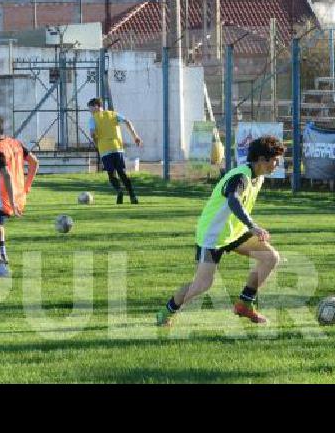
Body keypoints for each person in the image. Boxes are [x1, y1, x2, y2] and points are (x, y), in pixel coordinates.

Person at [156, 136, 286, 327]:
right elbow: (233, 200)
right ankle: (167, 311)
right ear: (261, 159)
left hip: (234, 233)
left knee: (270, 257)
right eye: (275, 159)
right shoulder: (241, 176)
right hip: (213, 235)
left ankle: (244, 303)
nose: (277, 163)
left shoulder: (258, 177)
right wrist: (253, 226)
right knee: (202, 285)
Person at [0, 112, 39, 278]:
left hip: (4, 200)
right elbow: (34, 162)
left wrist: (11, 202)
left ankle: (0, 269)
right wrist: (26, 187)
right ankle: (3, 256)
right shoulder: (15, 143)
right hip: (16, 197)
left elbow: (7, 175)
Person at [86, 98, 142, 204]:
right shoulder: (113, 114)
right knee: (122, 173)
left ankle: (119, 190)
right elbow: (127, 122)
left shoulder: (93, 119)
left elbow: (93, 134)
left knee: (111, 175)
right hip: (117, 148)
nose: (91, 111)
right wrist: (135, 136)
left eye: (91, 108)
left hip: (105, 149)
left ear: (97, 106)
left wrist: (96, 142)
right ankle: (133, 196)